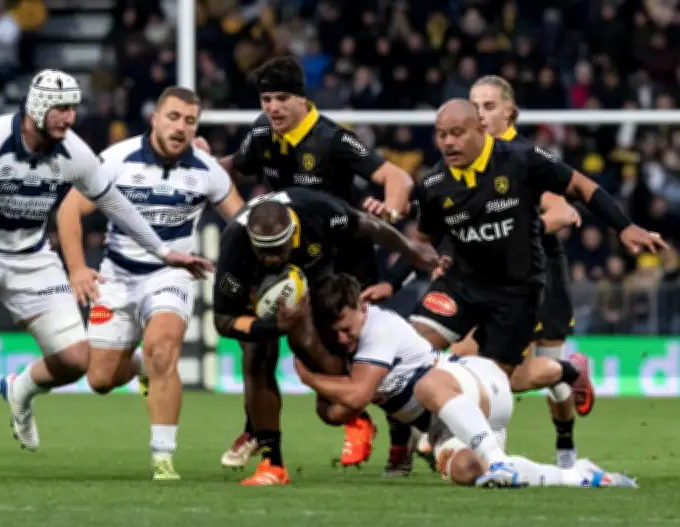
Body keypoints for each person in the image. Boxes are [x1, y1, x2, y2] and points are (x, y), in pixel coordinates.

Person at [0, 69, 212, 481]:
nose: (71, 118)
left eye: (73, 109)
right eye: (62, 109)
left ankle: (21, 389)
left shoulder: (75, 153)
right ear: (38, 107)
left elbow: (117, 206)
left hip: (30, 256)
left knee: (77, 360)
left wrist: (163, 251)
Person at [364, 98, 665, 456]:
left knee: (496, 382)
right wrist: (392, 282)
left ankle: (562, 372)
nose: (448, 142)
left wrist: (625, 227)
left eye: (457, 133)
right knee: (406, 348)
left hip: (515, 291)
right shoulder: (434, 184)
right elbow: (423, 244)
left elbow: (582, 187)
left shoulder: (522, 159)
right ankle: (421, 438)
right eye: (442, 135)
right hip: (460, 284)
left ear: (481, 130)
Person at [215, 56, 417, 470]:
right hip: (288, 257)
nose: (272, 107)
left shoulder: (334, 140)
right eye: (266, 98)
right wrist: (198, 163)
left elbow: (397, 177)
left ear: (303, 100)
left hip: (345, 259)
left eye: (282, 98)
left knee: (357, 353)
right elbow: (230, 169)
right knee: (257, 347)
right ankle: (259, 429)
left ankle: (396, 433)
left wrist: (392, 210)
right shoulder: (261, 133)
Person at [45, 86, 244, 481]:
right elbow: (70, 208)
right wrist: (77, 268)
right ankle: (140, 370)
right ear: (154, 119)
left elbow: (241, 223)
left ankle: (163, 457)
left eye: (190, 121)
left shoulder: (207, 170)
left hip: (171, 273)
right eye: (173, 117)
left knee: (163, 348)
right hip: (116, 275)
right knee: (100, 379)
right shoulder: (117, 159)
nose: (181, 127)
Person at [292, 273, 638, 489]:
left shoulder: (377, 327)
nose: (341, 339)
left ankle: (569, 370)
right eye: (333, 333)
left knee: (433, 384)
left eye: (345, 328)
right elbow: (335, 413)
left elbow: (354, 397)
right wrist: (323, 389)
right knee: (467, 472)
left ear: (362, 308)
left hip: (471, 383)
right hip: (448, 424)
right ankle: (578, 476)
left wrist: (310, 377)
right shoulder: (350, 346)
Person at [213, 187, 438, 485]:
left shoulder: (319, 212)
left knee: (324, 342)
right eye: (263, 251)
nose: (271, 259)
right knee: (256, 355)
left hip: (322, 274)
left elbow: (369, 225)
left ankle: (384, 417)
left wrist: (410, 250)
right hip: (260, 296)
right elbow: (223, 320)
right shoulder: (234, 245)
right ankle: (272, 464)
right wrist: (273, 327)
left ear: (293, 233)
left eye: (279, 249)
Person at [467, 75, 585, 467]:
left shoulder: (523, 155)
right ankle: (486, 449)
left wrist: (510, 229)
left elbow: (561, 212)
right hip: (496, 282)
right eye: (475, 106)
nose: (480, 115)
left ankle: (565, 446)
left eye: (488, 106)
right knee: (491, 369)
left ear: (509, 111)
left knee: (550, 385)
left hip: (542, 275)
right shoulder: (469, 157)